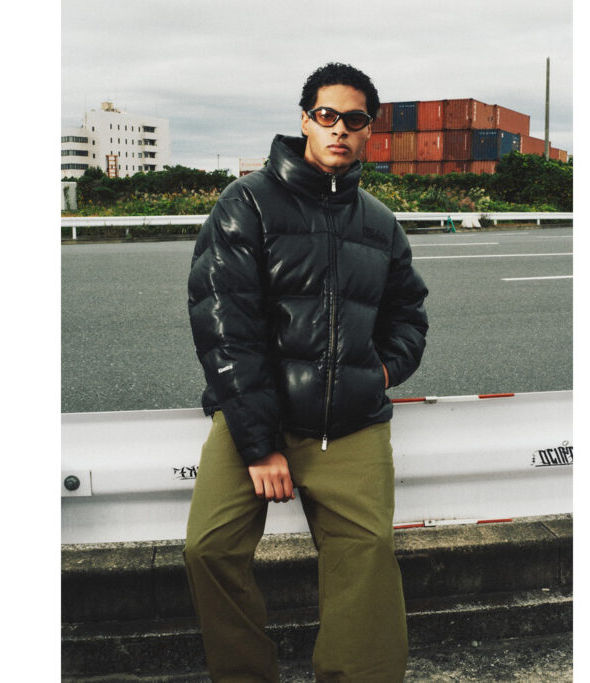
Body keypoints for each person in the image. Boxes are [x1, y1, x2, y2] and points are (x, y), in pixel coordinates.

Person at [184, 62, 429, 682]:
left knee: (366, 558)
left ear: (369, 130)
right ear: (305, 121)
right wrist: (260, 445)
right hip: (255, 416)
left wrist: (379, 374)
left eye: (354, 119)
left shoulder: (380, 223)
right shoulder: (247, 202)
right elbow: (223, 324)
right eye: (327, 115)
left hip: (351, 422)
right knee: (209, 549)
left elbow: (409, 315)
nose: (339, 128)